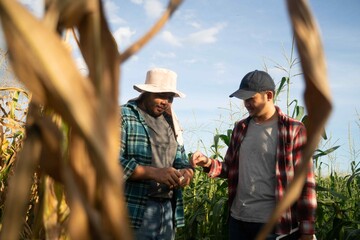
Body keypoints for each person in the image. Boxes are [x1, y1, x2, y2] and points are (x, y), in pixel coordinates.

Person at [190, 70, 317, 240]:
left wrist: (307, 230)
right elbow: (228, 168)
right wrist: (206, 162)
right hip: (238, 220)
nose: (246, 104)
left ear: (269, 95)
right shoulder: (240, 128)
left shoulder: (293, 129)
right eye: (244, 100)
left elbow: (305, 181)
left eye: (251, 99)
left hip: (274, 225)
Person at [120, 67, 194, 240]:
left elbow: (182, 161)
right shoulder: (123, 115)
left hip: (167, 210)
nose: (165, 102)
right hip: (134, 209)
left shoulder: (171, 123)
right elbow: (110, 162)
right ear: (146, 93)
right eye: (160, 95)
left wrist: (186, 173)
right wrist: (154, 173)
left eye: (169, 98)